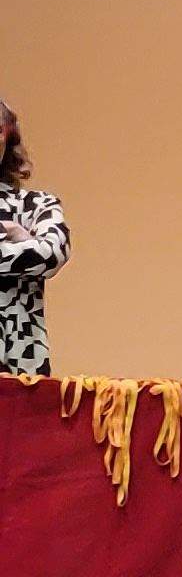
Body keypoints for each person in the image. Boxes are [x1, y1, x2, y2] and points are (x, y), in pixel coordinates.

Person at [0, 99, 66, 378]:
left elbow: (52, 253)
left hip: (20, 366)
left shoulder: (37, 204)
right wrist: (23, 240)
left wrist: (33, 246)